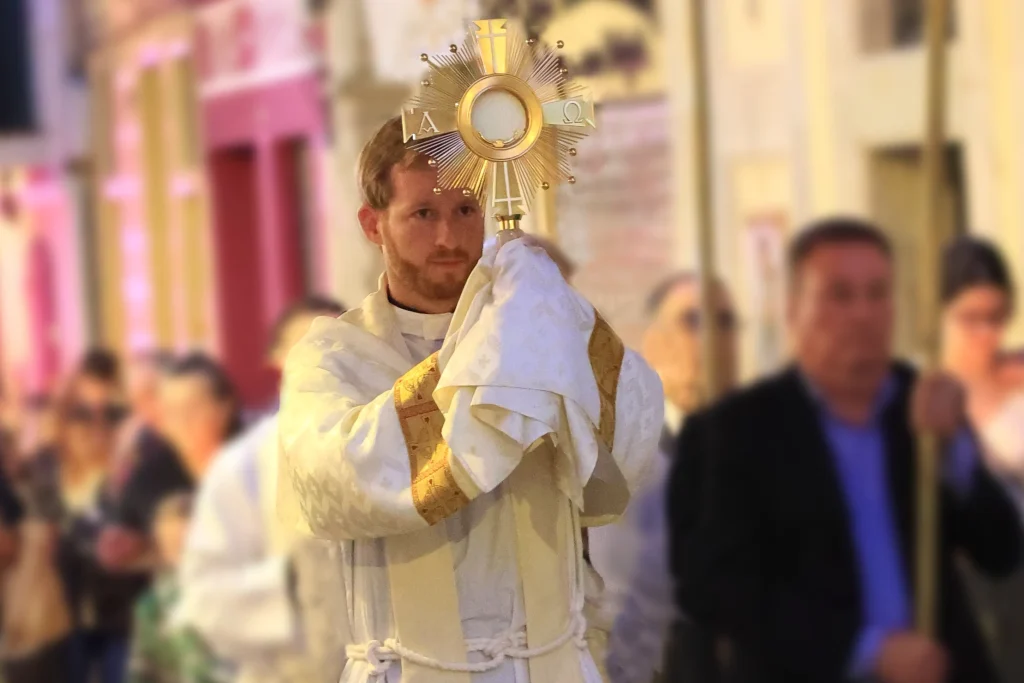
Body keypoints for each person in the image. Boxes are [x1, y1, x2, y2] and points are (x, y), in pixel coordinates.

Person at [277, 116, 663, 683]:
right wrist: (493, 363)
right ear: (373, 224)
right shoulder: (333, 357)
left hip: (548, 664)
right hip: (410, 669)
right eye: (422, 214)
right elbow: (335, 481)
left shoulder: (535, 330)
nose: (448, 238)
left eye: (464, 210)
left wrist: (558, 317)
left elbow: (626, 444)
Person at [669, 217, 1023, 683]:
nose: (862, 313)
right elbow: (712, 588)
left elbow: (1001, 549)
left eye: (877, 294)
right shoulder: (732, 433)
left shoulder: (922, 405)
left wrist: (953, 451)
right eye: (839, 295)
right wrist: (866, 650)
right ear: (794, 310)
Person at [179, 295, 349, 683]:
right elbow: (205, 595)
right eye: (308, 346)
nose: (325, 360)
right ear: (278, 358)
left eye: (341, 344)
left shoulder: (389, 445)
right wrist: (291, 579)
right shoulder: (242, 465)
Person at [595, 272, 737, 683]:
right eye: (693, 321)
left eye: (725, 323)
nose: (713, 339)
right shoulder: (623, 456)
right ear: (654, 342)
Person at [14, 350, 141, 683]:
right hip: (60, 616)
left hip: (121, 616)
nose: (96, 424)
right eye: (82, 413)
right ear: (64, 416)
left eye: (109, 413)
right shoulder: (44, 469)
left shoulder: (128, 469)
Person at [939, 235, 1024, 682]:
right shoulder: (928, 397)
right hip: (974, 587)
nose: (987, 335)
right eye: (971, 319)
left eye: (997, 317)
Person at [127, 493, 230, 683]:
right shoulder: (153, 607)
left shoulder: (232, 588)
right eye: (171, 543)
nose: (179, 552)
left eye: (185, 542)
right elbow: (143, 672)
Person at [99, 351, 180, 573]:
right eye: (135, 401)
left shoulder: (192, 438)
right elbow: (116, 500)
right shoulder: (137, 440)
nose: (143, 409)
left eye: (150, 394)